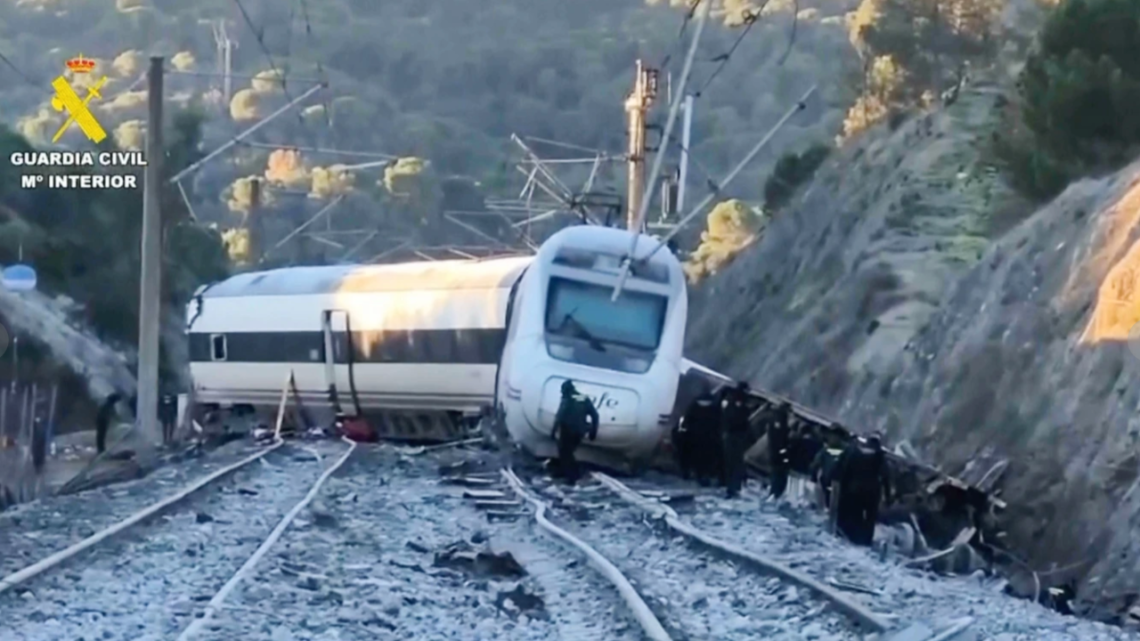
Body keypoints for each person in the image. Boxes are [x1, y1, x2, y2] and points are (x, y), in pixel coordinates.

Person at [833, 431, 892, 546]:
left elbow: (844, 472)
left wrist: (842, 491)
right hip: (872, 494)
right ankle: (865, 543)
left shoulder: (854, 453)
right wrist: (888, 497)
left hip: (853, 491)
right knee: (869, 521)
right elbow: (886, 477)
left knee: (852, 517)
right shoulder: (880, 456)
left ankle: (846, 538)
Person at [550, 380, 599, 484]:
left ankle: (572, 476)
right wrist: (593, 432)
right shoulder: (584, 398)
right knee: (569, 452)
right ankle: (567, 472)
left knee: (565, 452)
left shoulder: (567, 399)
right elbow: (595, 415)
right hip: (580, 431)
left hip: (567, 429)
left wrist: (553, 431)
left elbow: (560, 416)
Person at [677, 390, 719, 483]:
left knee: (692, 456)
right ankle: (703, 475)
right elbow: (717, 423)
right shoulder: (714, 408)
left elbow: (686, 420)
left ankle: (689, 473)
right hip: (708, 437)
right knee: (705, 458)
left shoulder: (694, 406)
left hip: (693, 435)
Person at [720, 381, 752, 499]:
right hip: (735, 435)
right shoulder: (739, 403)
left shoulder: (730, 401)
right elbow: (740, 420)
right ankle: (734, 487)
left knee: (731, 462)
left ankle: (731, 486)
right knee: (736, 462)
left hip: (730, 434)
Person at [767, 402, 792, 500]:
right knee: (779, 474)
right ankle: (775, 494)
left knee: (777, 473)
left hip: (776, 452)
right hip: (779, 452)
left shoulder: (776, 418)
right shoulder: (780, 420)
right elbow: (780, 438)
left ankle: (775, 493)